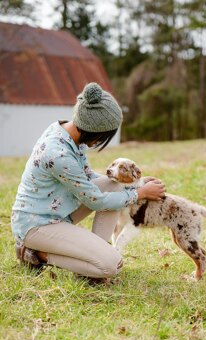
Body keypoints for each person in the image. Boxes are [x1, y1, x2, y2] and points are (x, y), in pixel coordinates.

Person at [11, 82, 165, 280]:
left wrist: (137, 184)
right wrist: (139, 194)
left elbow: (87, 176)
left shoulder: (69, 133)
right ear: (94, 131)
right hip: (37, 224)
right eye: (104, 136)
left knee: (113, 184)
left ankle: (92, 259)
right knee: (111, 265)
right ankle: (35, 254)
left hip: (57, 211)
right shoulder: (58, 155)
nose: (102, 142)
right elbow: (96, 201)